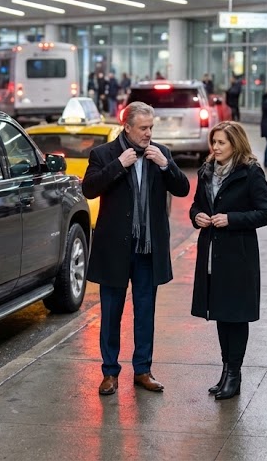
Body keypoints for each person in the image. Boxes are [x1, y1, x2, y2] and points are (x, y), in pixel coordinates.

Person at [82, 101, 190, 396]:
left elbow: (182, 189)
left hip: (148, 250)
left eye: (151, 128)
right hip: (115, 249)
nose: (148, 134)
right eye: (143, 128)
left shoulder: (161, 154)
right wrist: (119, 165)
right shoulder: (104, 154)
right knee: (111, 314)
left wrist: (165, 166)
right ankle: (109, 373)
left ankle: (143, 370)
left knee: (145, 312)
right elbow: (89, 189)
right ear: (126, 127)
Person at [190, 121, 267, 400]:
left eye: (221, 143)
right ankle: (226, 372)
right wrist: (197, 217)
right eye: (213, 142)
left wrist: (232, 219)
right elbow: (196, 205)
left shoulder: (250, 173)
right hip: (212, 255)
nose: (215, 147)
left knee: (236, 317)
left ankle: (234, 374)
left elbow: (266, 213)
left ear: (235, 144)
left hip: (238, 256)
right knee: (221, 315)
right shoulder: (206, 172)